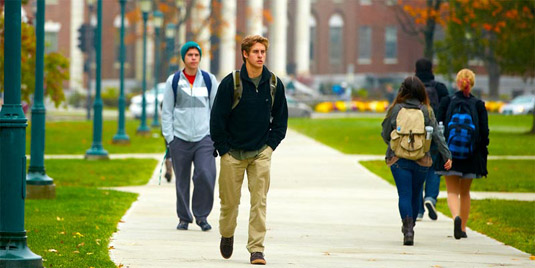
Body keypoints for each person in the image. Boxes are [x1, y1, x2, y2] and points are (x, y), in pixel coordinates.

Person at [210, 35, 288, 265]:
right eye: (255, 52)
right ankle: (227, 233)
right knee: (229, 203)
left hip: (260, 153)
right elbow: (217, 119)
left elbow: (281, 120)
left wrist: (270, 146)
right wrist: (223, 149)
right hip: (232, 154)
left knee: (259, 202)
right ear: (245, 54)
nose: (260, 56)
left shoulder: (274, 83)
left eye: (263, 51)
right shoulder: (230, 83)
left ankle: (257, 249)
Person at [381, 76, 452, 246]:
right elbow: (437, 135)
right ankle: (411, 226)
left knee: (404, 194)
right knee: (415, 193)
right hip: (422, 159)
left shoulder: (396, 109)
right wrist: (447, 155)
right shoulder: (426, 110)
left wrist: (394, 143)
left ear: (402, 91)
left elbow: (385, 133)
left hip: (398, 159)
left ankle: (408, 229)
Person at [161, 41, 219, 232]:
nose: (193, 58)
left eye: (196, 55)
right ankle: (184, 217)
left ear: (200, 58)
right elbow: (167, 111)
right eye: (190, 55)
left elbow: (216, 109)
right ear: (184, 58)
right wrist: (170, 138)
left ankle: (202, 216)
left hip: (204, 138)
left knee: (205, 174)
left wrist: (214, 135)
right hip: (180, 138)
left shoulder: (210, 80)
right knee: (182, 180)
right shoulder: (174, 81)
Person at [435, 69, 489, 239]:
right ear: (472, 83)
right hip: (471, 155)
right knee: (465, 192)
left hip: (450, 155)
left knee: (452, 191)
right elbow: (484, 132)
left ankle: (455, 217)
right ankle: (463, 228)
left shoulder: (447, 101)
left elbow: (438, 126)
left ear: (457, 82)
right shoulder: (478, 105)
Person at [414, 58, 450, 221]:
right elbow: (446, 110)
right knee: (434, 167)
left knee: (416, 168)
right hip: (435, 132)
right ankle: (430, 198)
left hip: (414, 133)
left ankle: (419, 210)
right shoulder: (440, 88)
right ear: (431, 69)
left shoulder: (411, 86)